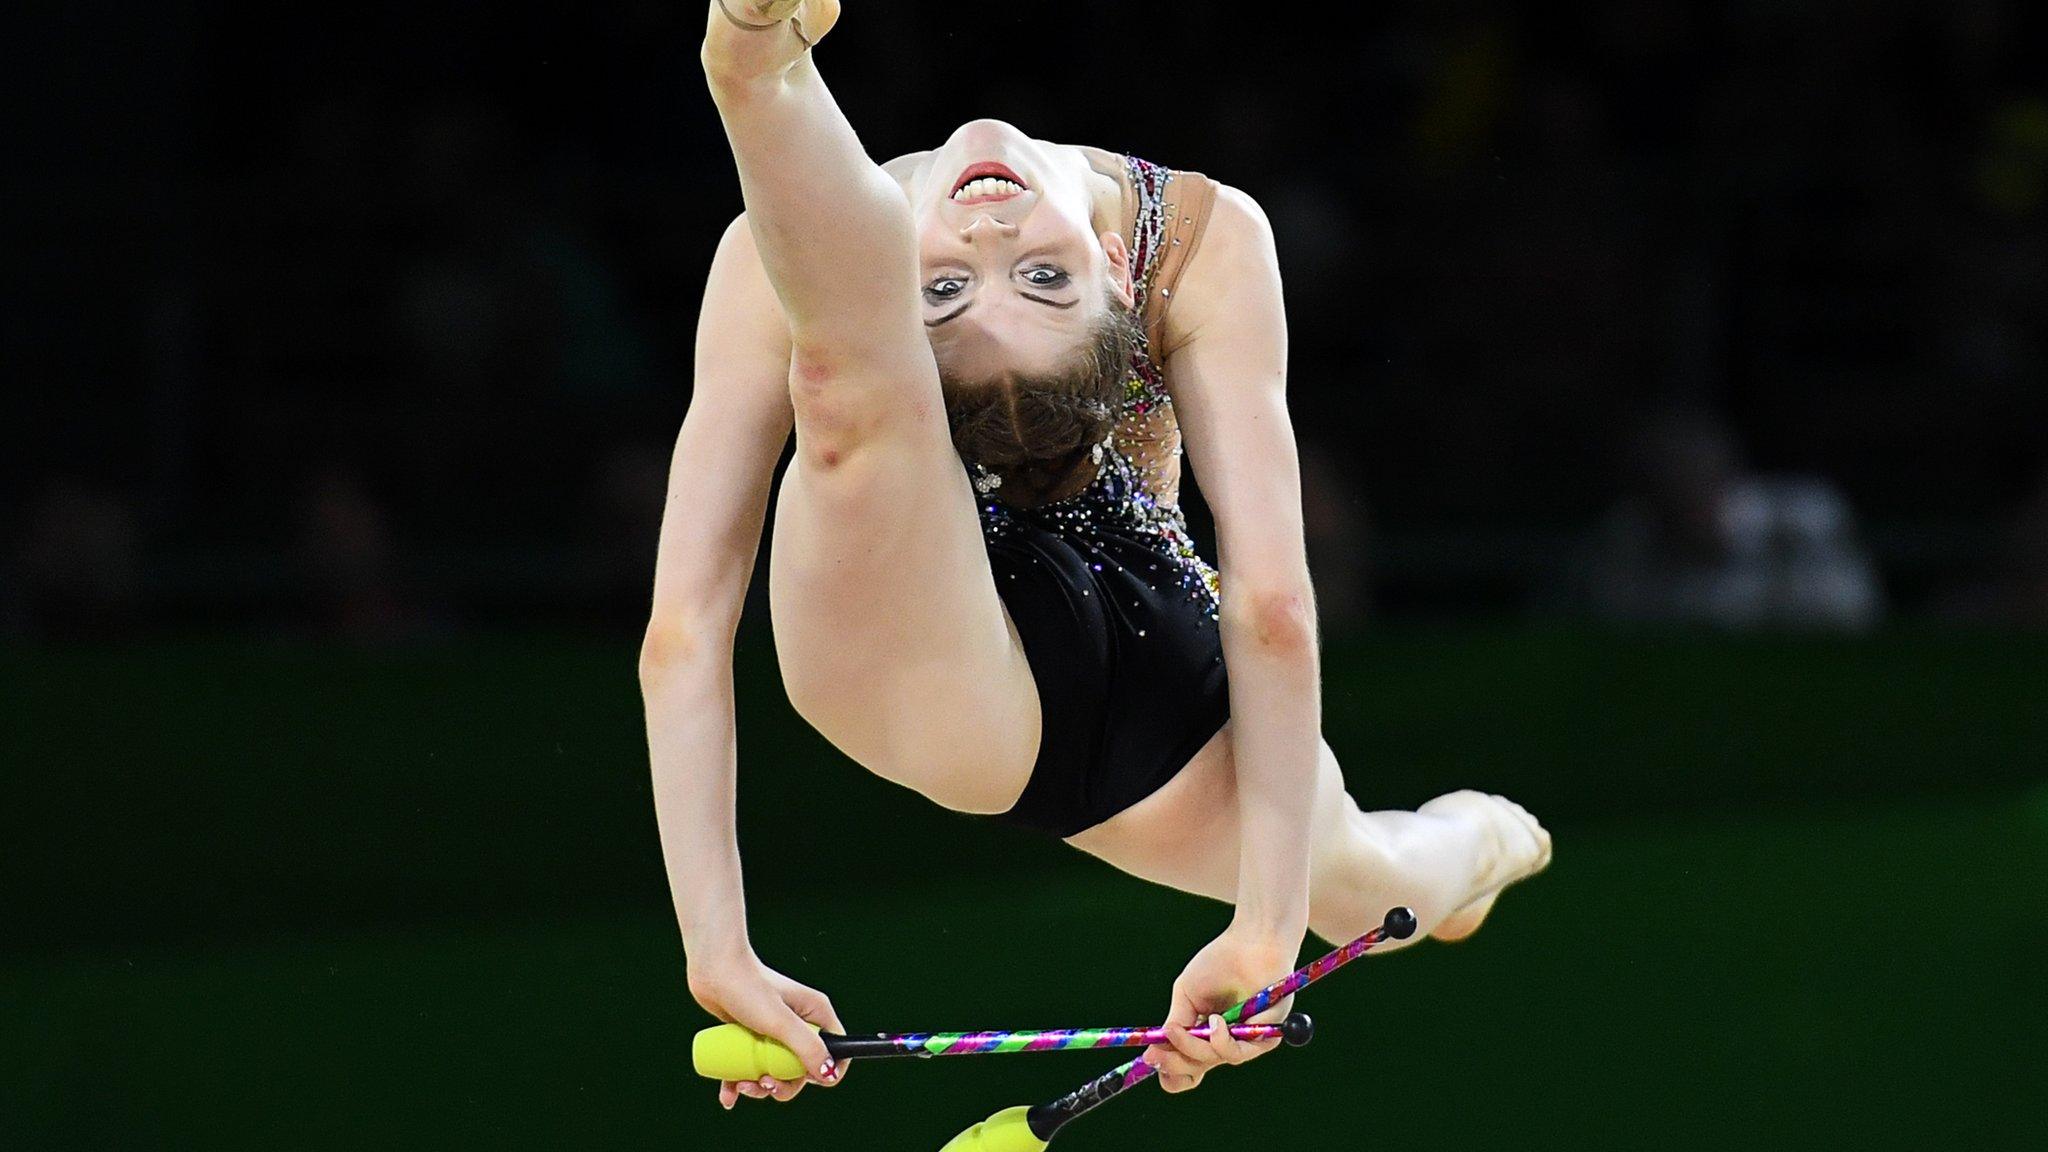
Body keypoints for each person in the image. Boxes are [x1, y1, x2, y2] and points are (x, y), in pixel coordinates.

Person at [642, 0, 1551, 1113]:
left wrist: (1267, 927)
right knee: (847, 383)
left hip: (1142, 633)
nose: (985, 244)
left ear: (1121, 273)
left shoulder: (1205, 242)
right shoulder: (797, 272)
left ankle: (1474, 844)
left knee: (1369, 880)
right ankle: (752, 65)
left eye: (1033, 281)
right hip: (937, 652)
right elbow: (687, 617)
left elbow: (1268, 600)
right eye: (949, 293)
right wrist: (715, 941)